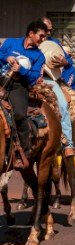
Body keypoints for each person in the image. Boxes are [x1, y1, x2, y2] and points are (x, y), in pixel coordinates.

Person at [0, 20, 48, 168]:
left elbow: (34, 77)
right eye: (41, 36)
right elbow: (0, 54)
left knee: (20, 115)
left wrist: (20, 69)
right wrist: (6, 58)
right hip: (1, 79)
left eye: (44, 36)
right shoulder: (11, 43)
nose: (43, 39)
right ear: (31, 34)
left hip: (18, 86)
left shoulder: (39, 56)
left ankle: (23, 152)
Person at [40, 17, 75, 157]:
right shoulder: (28, 41)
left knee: (63, 105)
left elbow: (70, 62)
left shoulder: (55, 43)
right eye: (46, 30)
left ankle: (68, 143)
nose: (48, 33)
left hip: (50, 79)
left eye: (50, 30)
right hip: (29, 78)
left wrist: (65, 61)